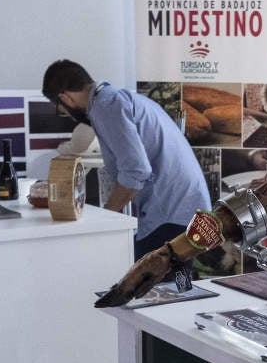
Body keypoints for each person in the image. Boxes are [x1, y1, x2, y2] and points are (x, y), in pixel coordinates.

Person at [41, 60, 211, 258]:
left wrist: (106, 218)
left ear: (66, 98)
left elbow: (135, 171)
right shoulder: (116, 99)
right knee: (170, 284)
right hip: (184, 207)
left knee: (150, 283)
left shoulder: (106, 107)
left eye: (59, 107)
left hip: (172, 212)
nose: (65, 114)